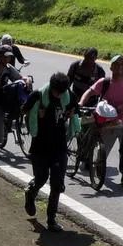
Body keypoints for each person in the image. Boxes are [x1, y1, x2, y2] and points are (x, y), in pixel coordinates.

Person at [23, 72, 76, 232]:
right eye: (56, 92)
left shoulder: (68, 96)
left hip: (59, 146)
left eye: (62, 92)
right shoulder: (38, 95)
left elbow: (76, 110)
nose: (59, 95)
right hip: (40, 147)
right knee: (41, 178)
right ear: (51, 87)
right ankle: (30, 194)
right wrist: (38, 114)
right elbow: (24, 110)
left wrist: (71, 113)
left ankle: (51, 219)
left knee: (57, 184)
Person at [79, 54, 123, 181]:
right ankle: (97, 167)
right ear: (111, 67)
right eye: (117, 64)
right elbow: (89, 92)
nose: (120, 67)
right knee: (104, 150)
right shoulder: (105, 82)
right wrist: (81, 103)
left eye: (122, 65)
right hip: (107, 123)